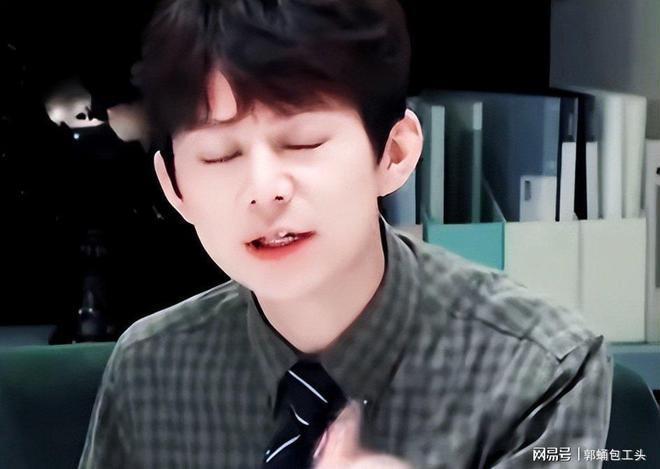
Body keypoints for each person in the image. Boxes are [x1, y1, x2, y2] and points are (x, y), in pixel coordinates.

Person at [78, 0, 613, 468]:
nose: (264, 190)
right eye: (219, 155)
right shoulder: (151, 368)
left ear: (395, 153)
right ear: (174, 187)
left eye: (304, 142)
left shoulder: (541, 368)